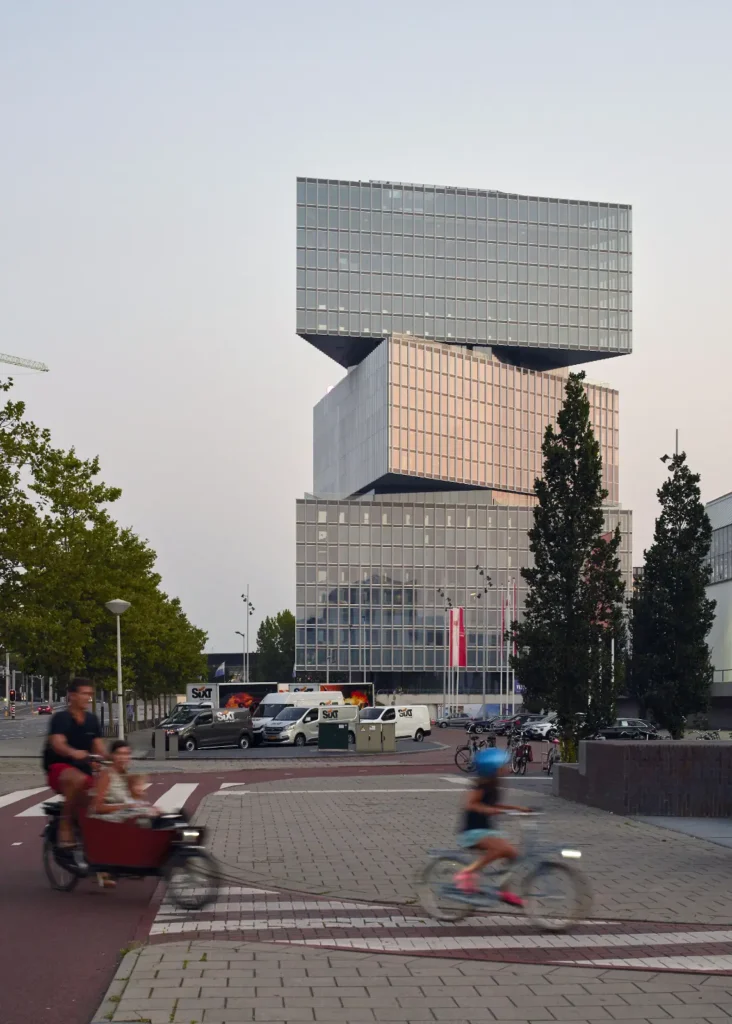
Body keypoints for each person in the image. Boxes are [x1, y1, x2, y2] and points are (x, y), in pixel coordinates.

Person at [453, 747, 532, 906]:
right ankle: (466, 872)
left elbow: (495, 805)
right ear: (492, 768)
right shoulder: (481, 786)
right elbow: (470, 804)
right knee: (500, 849)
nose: (507, 767)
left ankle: (504, 891)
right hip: (472, 831)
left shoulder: (494, 783)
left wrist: (517, 809)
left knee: (512, 854)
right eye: (503, 765)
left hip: (486, 830)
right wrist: (489, 810)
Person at [42, 677, 106, 855]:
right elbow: (57, 743)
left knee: (105, 798)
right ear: (72, 695)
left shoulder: (92, 720)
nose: (88, 698)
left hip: (85, 773)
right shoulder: (61, 718)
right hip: (59, 770)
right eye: (84, 694)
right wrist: (73, 752)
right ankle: (65, 826)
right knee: (75, 779)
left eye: (90, 694)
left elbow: (99, 747)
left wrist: (114, 757)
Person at [90, 740, 159, 823]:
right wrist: (125, 806)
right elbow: (97, 807)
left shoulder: (125, 774)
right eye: (119, 754)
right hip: (109, 819)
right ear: (112, 755)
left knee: (157, 813)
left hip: (124, 815)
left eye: (126, 754)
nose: (123, 757)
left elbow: (132, 799)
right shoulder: (106, 774)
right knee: (146, 819)